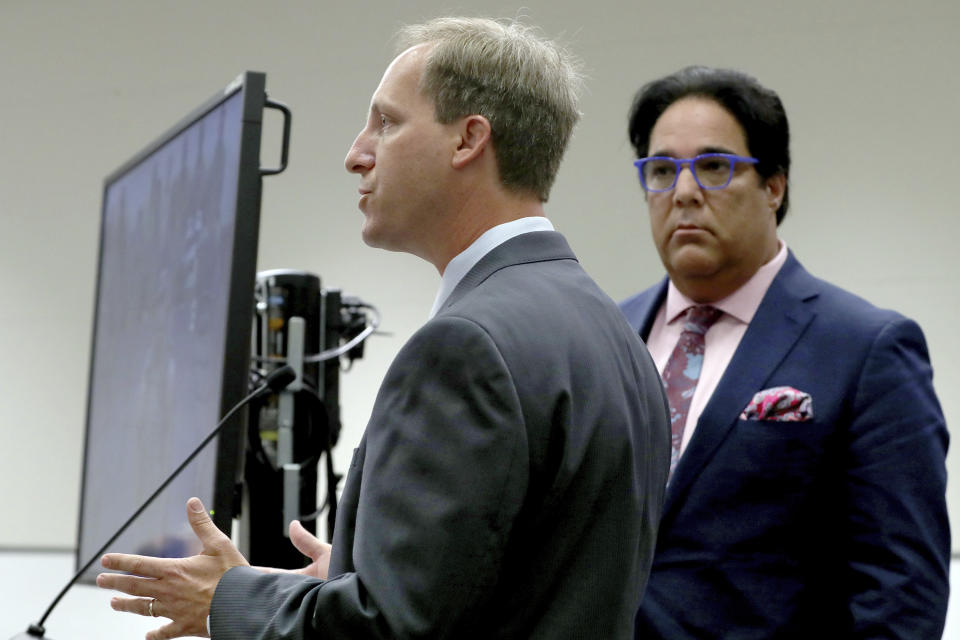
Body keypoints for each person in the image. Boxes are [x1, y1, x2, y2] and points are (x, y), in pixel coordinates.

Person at [97, 17, 671, 639]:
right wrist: (351, 575)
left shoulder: (465, 347)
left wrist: (226, 599)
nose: (355, 154)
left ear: (467, 140)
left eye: (386, 122)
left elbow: (387, 631)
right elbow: (517, 588)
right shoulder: (616, 335)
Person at [619, 65, 951, 639]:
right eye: (662, 170)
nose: (685, 192)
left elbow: (903, 591)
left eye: (715, 167)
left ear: (774, 186)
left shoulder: (864, 348)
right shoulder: (608, 337)